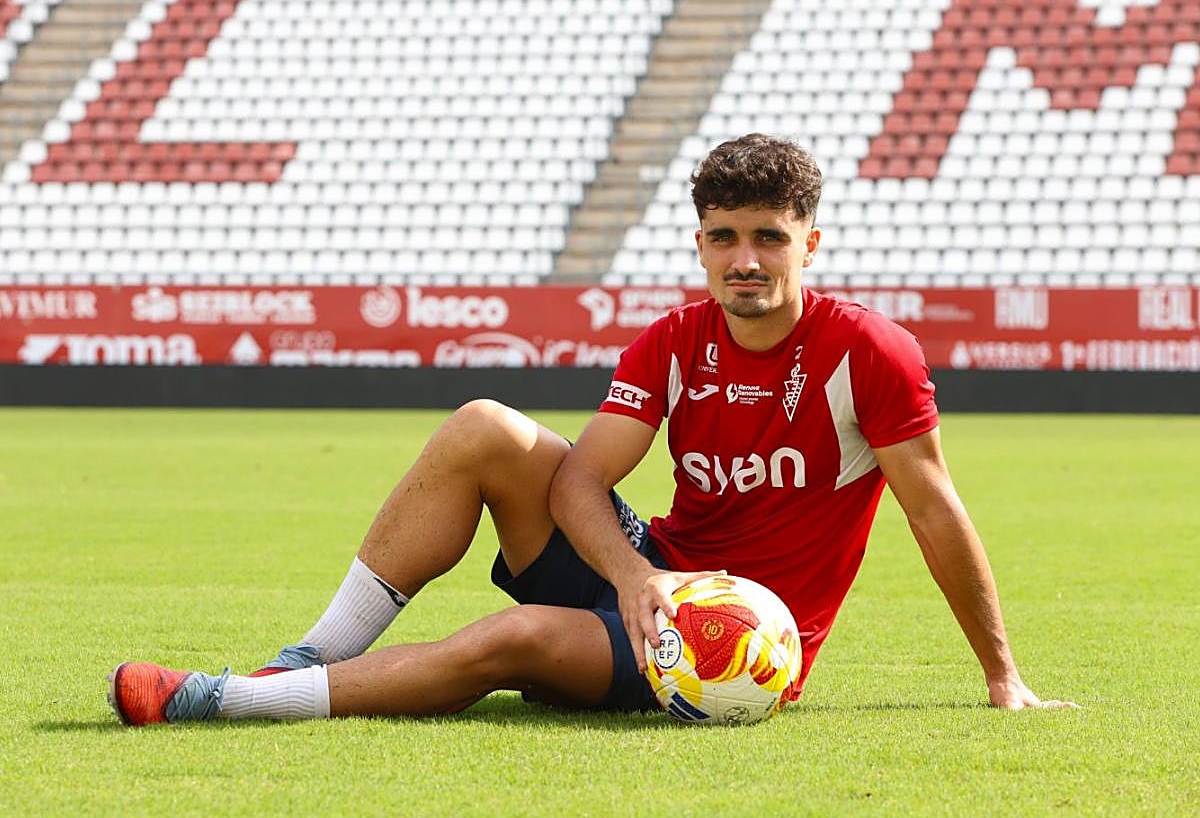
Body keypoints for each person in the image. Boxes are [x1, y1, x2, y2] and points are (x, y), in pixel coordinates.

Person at [108, 134, 1074, 726]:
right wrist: (635, 576)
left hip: (737, 643)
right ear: (698, 243)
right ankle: (312, 656)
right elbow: (577, 481)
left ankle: (225, 698)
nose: (746, 259)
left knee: (515, 636)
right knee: (485, 426)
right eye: (725, 237)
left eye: (769, 237)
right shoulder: (673, 339)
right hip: (653, 573)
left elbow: (934, 512)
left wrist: (1003, 676)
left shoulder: (870, 352)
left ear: (808, 243)